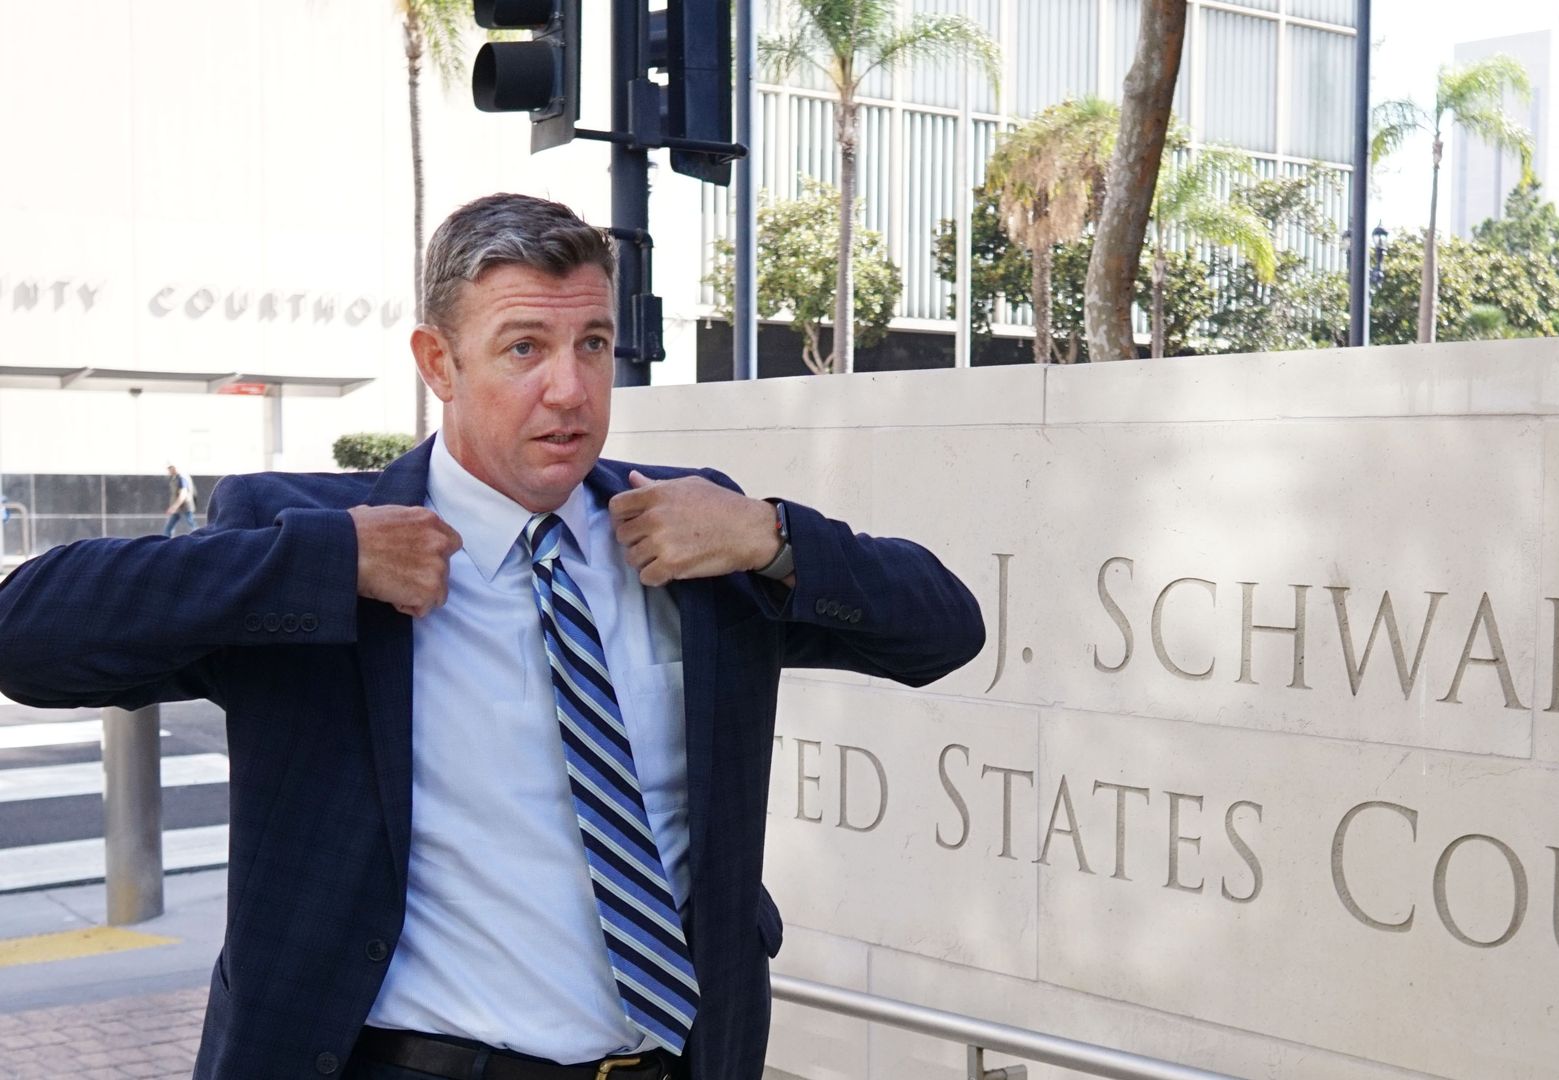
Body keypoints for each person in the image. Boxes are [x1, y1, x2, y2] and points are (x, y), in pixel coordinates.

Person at [0, 193, 984, 1080]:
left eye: (593, 344)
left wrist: (770, 537)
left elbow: (942, 629)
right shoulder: (302, 540)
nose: (570, 389)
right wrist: (325, 564)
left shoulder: (687, 531)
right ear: (440, 363)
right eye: (524, 349)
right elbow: (29, 637)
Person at [162, 463, 197, 536]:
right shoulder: (175, 478)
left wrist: (174, 507)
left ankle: (200, 538)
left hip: (185, 506)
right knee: (169, 527)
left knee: (191, 524)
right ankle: (167, 540)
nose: (168, 471)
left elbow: (183, 494)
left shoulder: (181, 478)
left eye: (170, 468)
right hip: (178, 508)